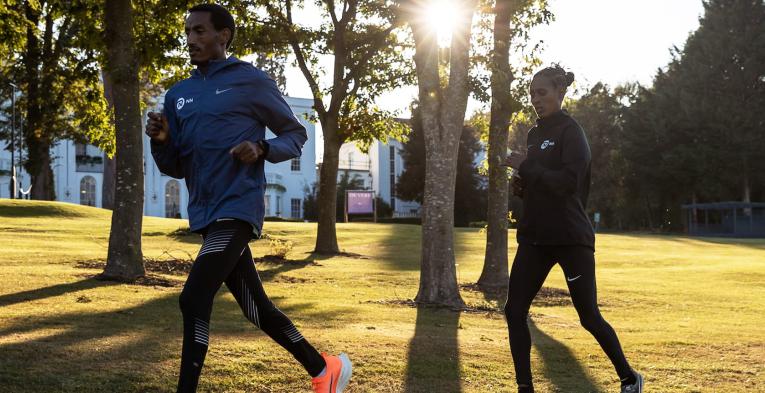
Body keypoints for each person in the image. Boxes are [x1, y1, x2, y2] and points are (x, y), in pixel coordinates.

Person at [145, 4, 351, 392]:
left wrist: (261, 147)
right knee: (256, 308)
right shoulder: (179, 95)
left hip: (238, 208)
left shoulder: (251, 81)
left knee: (193, 299)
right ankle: (325, 369)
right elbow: (174, 166)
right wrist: (161, 141)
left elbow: (296, 135)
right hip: (205, 214)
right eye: (188, 32)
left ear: (224, 36)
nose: (191, 40)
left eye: (201, 31)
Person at [503, 64, 643, 393]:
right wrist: (521, 184)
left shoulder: (571, 132)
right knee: (514, 309)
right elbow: (538, 179)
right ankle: (525, 387)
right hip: (535, 238)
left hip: (570, 237)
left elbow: (568, 183)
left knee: (588, 316)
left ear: (560, 93)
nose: (536, 99)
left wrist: (526, 166)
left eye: (542, 93)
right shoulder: (534, 135)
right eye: (532, 94)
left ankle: (629, 378)